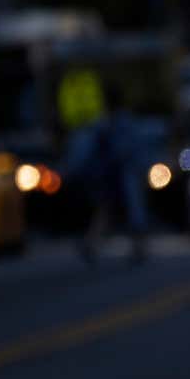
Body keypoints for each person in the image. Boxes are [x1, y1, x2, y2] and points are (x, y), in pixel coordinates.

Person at [73, 87, 150, 266]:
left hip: (125, 171)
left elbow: (133, 148)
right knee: (107, 210)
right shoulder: (104, 124)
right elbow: (92, 150)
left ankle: (139, 246)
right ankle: (91, 243)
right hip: (111, 174)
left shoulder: (122, 122)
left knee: (132, 209)